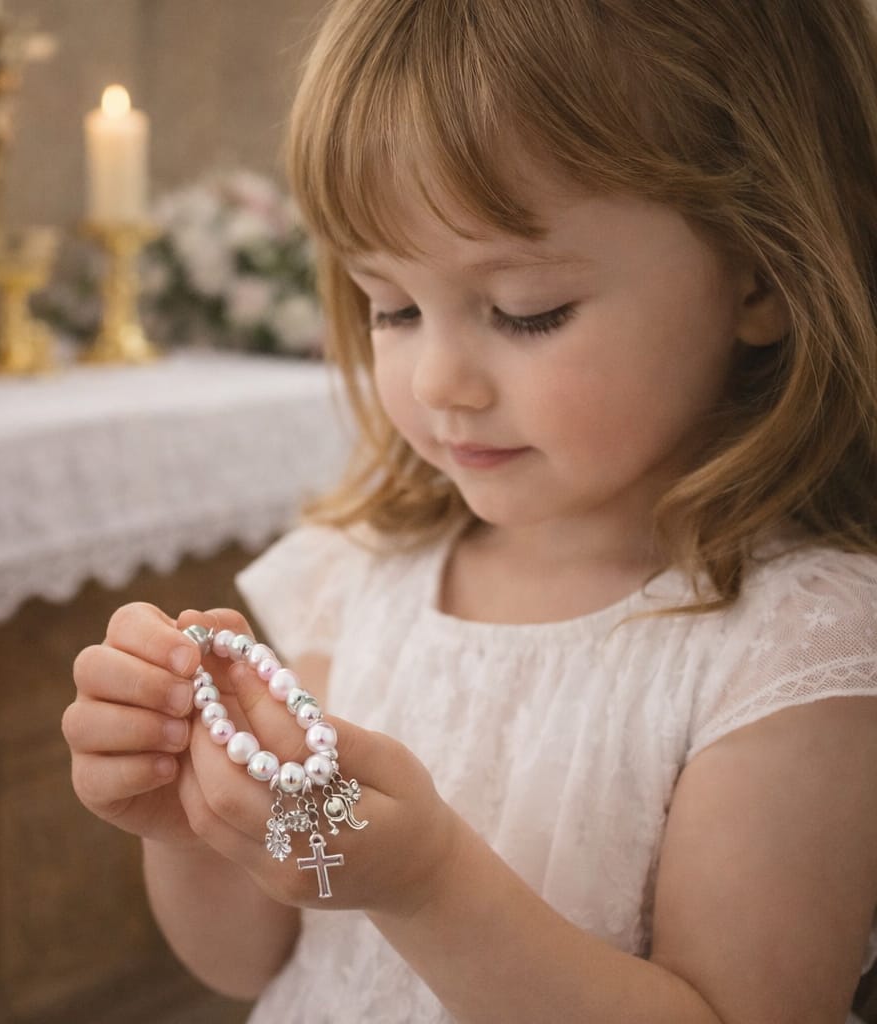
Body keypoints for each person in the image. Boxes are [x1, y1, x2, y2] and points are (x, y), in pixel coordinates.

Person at [61, 1, 877, 1021]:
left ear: (761, 270)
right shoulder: (353, 574)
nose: (439, 379)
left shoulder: (796, 646)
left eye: (525, 309)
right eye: (391, 306)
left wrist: (431, 885)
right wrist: (190, 828)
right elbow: (253, 960)